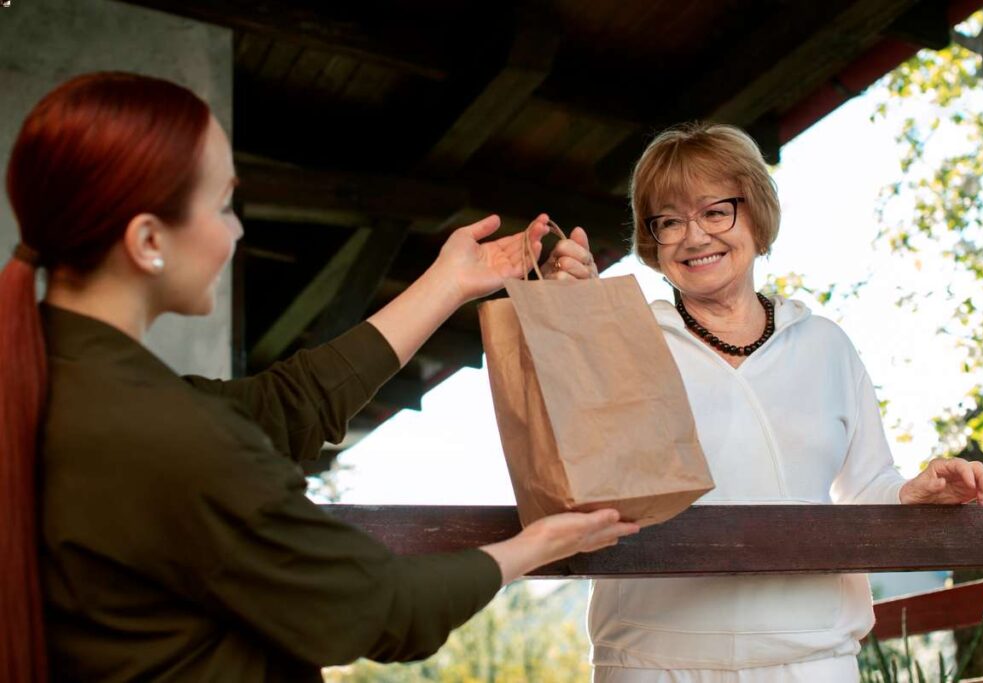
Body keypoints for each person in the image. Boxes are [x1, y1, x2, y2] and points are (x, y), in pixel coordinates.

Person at [0, 72, 640, 683]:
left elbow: (285, 405)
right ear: (146, 241)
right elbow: (376, 608)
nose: (236, 229)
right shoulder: (162, 433)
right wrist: (534, 547)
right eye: (224, 204)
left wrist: (449, 283)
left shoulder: (65, 386)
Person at [536, 122, 983, 682]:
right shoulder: (622, 337)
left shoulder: (826, 345)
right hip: (654, 660)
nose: (694, 236)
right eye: (670, 220)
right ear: (653, 241)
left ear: (756, 214)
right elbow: (571, 471)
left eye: (714, 211)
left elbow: (865, 490)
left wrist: (913, 495)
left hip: (814, 661)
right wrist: (567, 324)